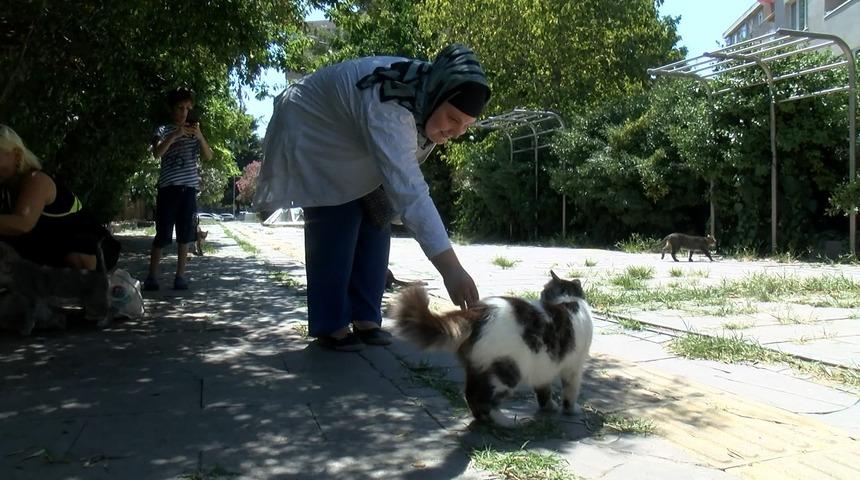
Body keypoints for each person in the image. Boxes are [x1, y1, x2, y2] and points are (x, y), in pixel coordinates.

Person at [255, 44, 491, 351]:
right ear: (436, 96)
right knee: (336, 217)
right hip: (313, 128)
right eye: (452, 118)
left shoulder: (423, 91)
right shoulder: (389, 104)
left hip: (353, 136)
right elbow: (411, 193)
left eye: (466, 125)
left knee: (378, 215)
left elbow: (401, 181)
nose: (457, 131)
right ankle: (331, 324)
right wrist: (451, 268)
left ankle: (366, 316)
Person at [0, 124, 120, 271]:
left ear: (17, 155)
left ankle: (91, 283)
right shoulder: (7, 188)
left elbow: (22, 223)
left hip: (95, 248)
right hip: (53, 253)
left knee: (77, 256)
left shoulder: (37, 180)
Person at [144, 87, 213, 291]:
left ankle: (180, 277)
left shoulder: (194, 133)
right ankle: (152, 277)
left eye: (187, 108)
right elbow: (157, 153)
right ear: (172, 108)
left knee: (185, 235)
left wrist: (200, 136)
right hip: (168, 189)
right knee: (162, 234)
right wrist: (175, 134)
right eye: (180, 108)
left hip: (189, 190)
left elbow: (209, 156)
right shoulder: (163, 129)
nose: (184, 112)